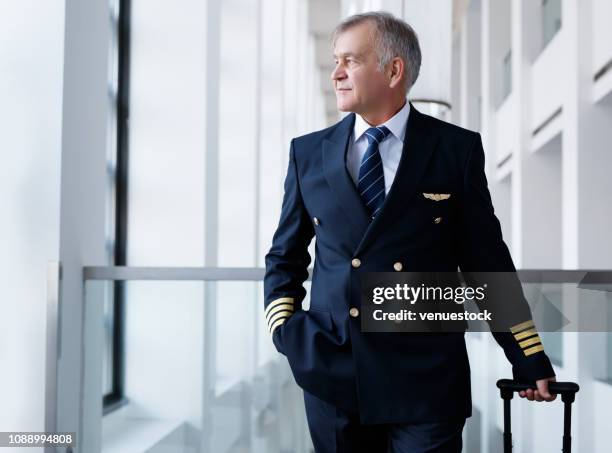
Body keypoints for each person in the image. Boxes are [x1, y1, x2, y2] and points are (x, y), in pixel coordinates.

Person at [263, 11, 556, 453]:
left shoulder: (454, 149)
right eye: (335, 60)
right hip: (332, 372)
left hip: (426, 377)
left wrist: (526, 354)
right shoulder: (307, 153)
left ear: (393, 70)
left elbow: (485, 261)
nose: (337, 73)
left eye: (350, 61)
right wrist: (286, 330)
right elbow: (285, 257)